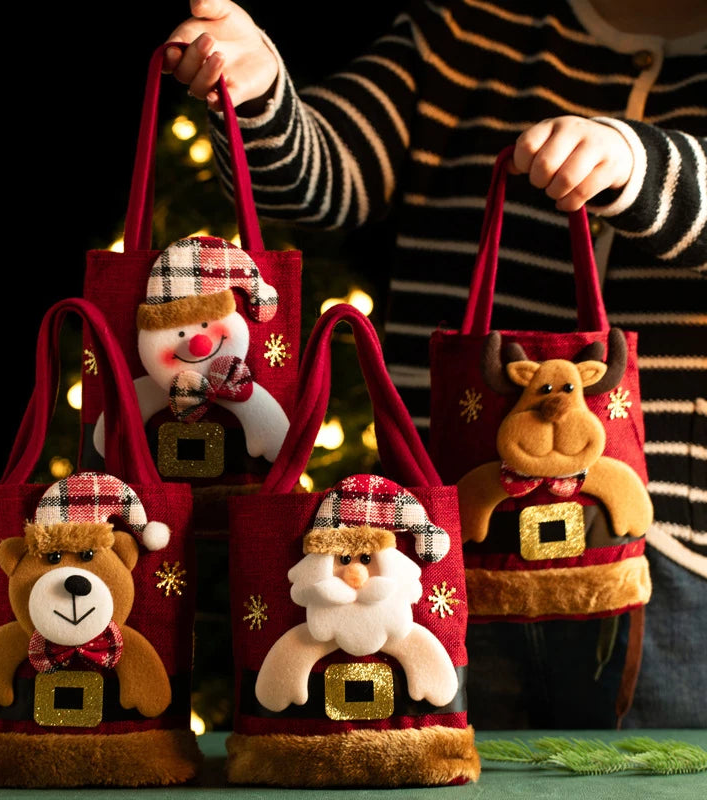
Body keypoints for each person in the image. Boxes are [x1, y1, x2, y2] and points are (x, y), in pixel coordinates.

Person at [165, 0, 706, 729]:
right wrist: (260, 93)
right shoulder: (463, 30)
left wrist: (641, 162)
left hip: (677, 557)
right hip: (438, 543)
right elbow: (324, 179)